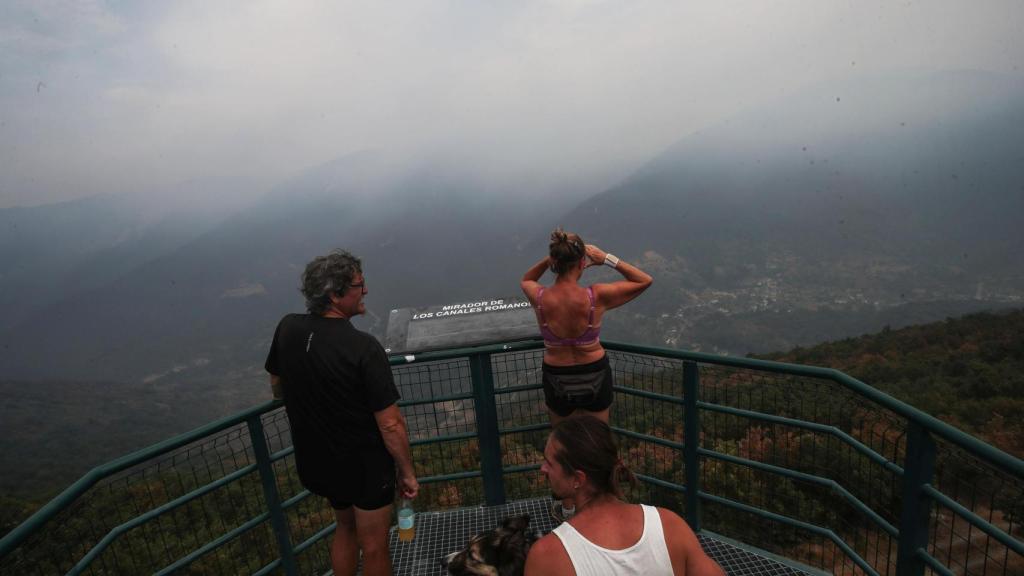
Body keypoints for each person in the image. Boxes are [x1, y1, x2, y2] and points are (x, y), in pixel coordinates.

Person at [265, 249, 418, 576]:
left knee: (345, 529)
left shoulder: (288, 328)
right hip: (364, 466)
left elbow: (277, 383)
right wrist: (406, 471)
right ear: (335, 295)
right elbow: (390, 424)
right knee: (375, 544)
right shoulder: (363, 348)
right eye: (359, 285)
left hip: (319, 460)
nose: (365, 291)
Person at [521, 228, 652, 520]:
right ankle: (608, 502)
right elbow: (644, 279)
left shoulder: (540, 297)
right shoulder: (597, 296)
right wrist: (606, 258)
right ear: (582, 262)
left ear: (555, 262)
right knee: (599, 443)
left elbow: (526, 279)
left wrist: (553, 258)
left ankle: (567, 507)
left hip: (557, 375)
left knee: (562, 441)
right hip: (594, 372)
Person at [524, 415, 725, 576]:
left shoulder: (549, 556)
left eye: (549, 463)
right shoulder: (670, 526)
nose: (543, 469)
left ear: (578, 479)